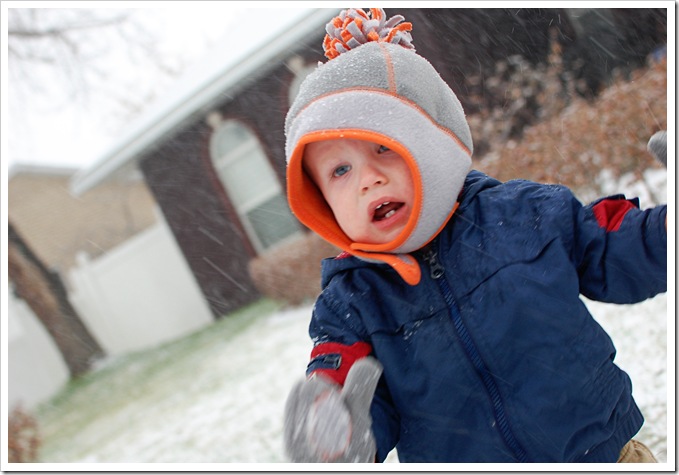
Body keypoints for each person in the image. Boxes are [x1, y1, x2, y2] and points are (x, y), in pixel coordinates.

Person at [283, 8, 667, 463]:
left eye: (384, 147)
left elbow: (618, 248)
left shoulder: (526, 215)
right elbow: (352, 391)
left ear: (430, 139)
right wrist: (337, 433)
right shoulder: (352, 304)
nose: (368, 179)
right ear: (321, 201)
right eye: (340, 170)